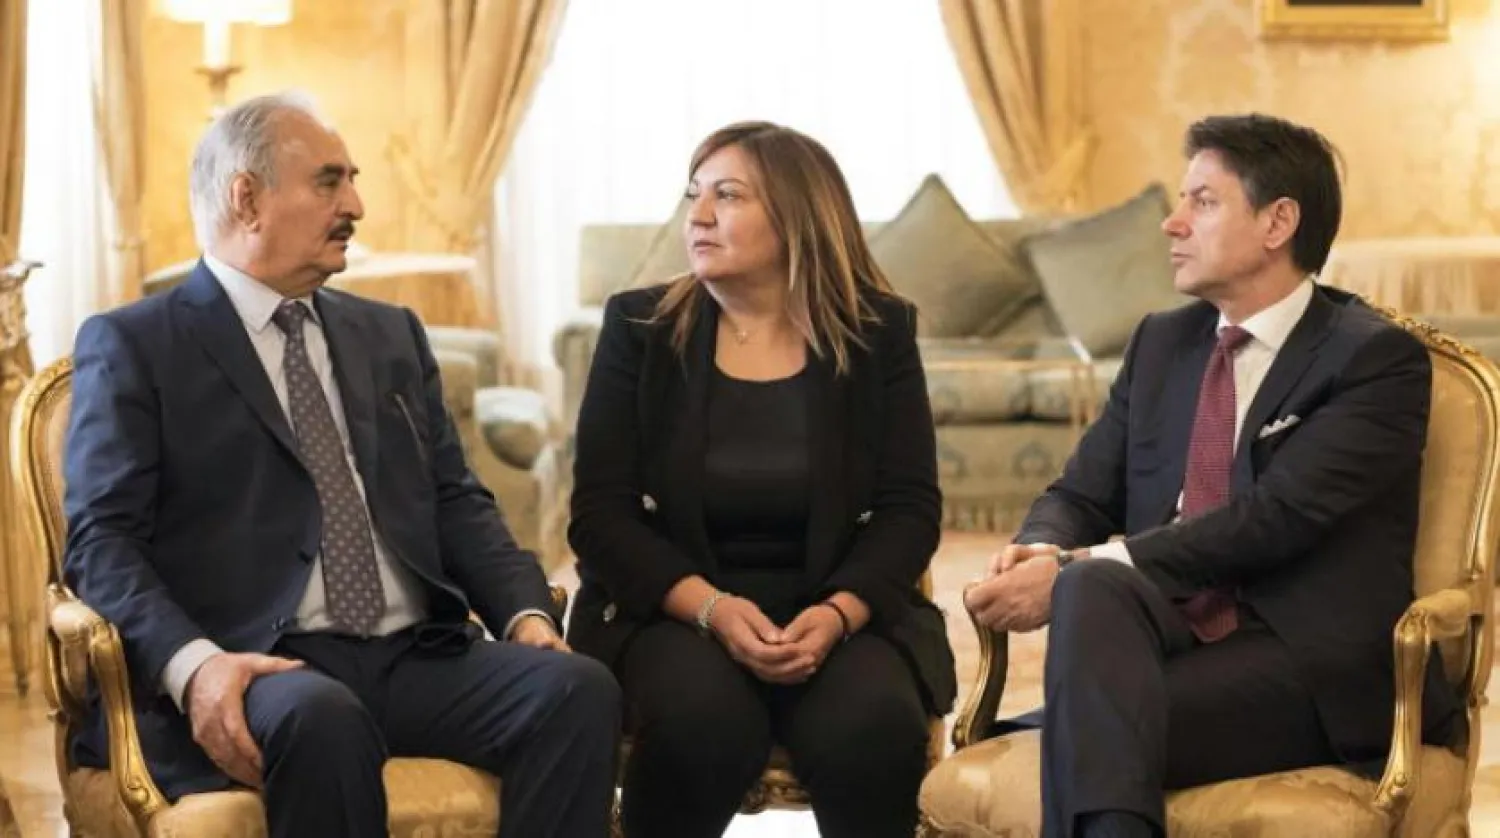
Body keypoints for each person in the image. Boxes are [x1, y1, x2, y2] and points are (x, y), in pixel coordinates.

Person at [63, 91, 619, 838]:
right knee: (321, 716)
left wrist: (523, 614)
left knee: (576, 689)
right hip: (261, 661)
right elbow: (102, 542)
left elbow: (454, 499)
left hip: (412, 654)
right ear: (247, 197)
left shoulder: (388, 335)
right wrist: (198, 666)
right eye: (330, 181)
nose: (355, 203)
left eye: (352, 180)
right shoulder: (137, 344)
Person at [963, 113, 1462, 838]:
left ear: (1277, 222)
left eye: (1201, 200)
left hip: (1301, 660)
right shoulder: (1162, 343)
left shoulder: (1372, 360)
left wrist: (1076, 566)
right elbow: (1080, 491)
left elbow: (1275, 517)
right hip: (1166, 641)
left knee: (1090, 679)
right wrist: (1044, 547)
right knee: (1096, 590)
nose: (1171, 224)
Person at [566, 121, 956, 838]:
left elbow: (909, 509)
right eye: (694, 195)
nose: (700, 215)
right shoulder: (639, 327)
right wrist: (711, 608)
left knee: (873, 725)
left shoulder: (878, 334)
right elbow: (600, 514)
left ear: (798, 215)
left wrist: (840, 613)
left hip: (833, 607)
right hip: (674, 609)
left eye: (728, 195)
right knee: (705, 723)